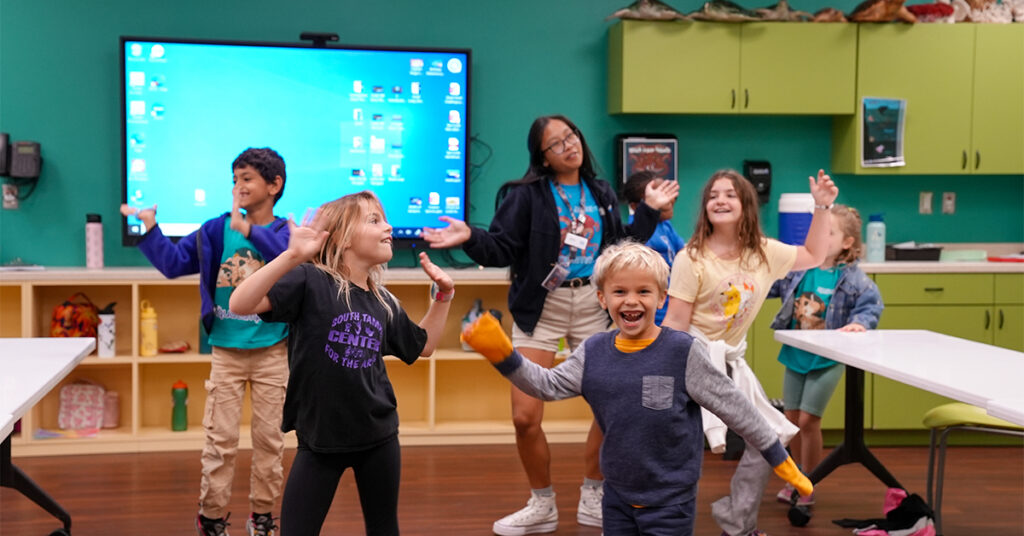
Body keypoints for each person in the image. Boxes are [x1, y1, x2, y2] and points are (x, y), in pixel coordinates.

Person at [422, 114, 679, 534]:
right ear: (542, 157)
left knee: (612, 406)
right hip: (542, 304)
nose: (568, 146)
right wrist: (470, 236)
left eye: (571, 136)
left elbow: (620, 244)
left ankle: (594, 491)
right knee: (525, 416)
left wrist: (648, 210)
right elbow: (502, 248)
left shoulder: (600, 192)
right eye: (556, 144)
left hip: (596, 303)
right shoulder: (526, 196)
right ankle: (541, 503)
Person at [461, 241, 813, 535]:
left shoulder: (683, 352)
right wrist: (504, 355)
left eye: (643, 291)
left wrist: (779, 459)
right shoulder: (593, 352)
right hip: (615, 496)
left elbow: (736, 408)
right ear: (602, 299)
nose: (631, 301)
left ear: (662, 299)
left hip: (671, 501)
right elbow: (546, 385)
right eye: (620, 292)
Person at [229, 191, 454, 536]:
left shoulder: (384, 302)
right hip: (320, 442)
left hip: (379, 438)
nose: (389, 227)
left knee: (383, 527)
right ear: (344, 237)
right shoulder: (310, 280)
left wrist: (443, 297)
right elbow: (240, 304)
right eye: (375, 220)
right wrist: (291, 256)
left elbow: (422, 346)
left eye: (386, 219)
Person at [121, 147, 290, 536]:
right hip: (227, 353)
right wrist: (150, 228)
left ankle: (262, 517)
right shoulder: (215, 229)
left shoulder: (285, 232)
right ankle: (212, 519)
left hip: (272, 351)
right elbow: (173, 263)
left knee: (270, 443)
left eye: (247, 178)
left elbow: (289, 258)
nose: (238, 186)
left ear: (274, 184)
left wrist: (250, 232)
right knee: (220, 442)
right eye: (234, 180)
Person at [662, 168, 838, 536]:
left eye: (730, 194)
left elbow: (813, 254)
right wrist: (659, 376)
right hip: (691, 359)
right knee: (677, 447)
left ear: (745, 205)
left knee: (765, 439)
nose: (720, 200)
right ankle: (657, 523)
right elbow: (675, 323)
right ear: (705, 207)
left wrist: (822, 208)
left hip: (729, 363)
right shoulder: (690, 258)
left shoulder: (763, 253)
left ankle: (738, 522)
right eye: (713, 195)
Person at [767, 204, 883, 507]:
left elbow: (871, 304)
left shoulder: (852, 277)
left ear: (847, 242)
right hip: (796, 354)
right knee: (790, 421)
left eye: (830, 232)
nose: (821, 236)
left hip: (828, 359)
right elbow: (768, 285)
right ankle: (795, 478)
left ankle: (808, 483)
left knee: (808, 422)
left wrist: (860, 322)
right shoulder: (800, 268)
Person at [621, 170, 685, 325]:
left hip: (674, 306)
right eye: (657, 197)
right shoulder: (637, 234)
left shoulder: (665, 225)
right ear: (637, 206)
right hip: (654, 313)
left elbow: (684, 253)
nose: (669, 200)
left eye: (666, 193)